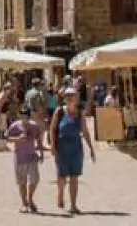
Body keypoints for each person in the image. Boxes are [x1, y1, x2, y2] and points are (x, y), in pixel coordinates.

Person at [50, 86, 95, 214]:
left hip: (76, 148)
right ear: (64, 98)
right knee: (62, 176)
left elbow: (85, 131)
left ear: (76, 98)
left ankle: (73, 205)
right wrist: (53, 145)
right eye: (67, 96)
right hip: (61, 147)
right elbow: (53, 129)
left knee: (74, 177)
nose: (70, 98)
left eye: (72, 96)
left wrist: (91, 148)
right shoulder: (59, 111)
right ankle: (60, 194)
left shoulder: (80, 113)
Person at [6, 105, 45, 213]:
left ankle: (30, 197)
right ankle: (24, 203)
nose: (24, 118)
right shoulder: (15, 126)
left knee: (35, 179)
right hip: (19, 157)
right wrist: (18, 139)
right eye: (22, 116)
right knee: (21, 182)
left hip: (31, 156)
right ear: (19, 116)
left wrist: (41, 153)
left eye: (26, 116)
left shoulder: (34, 126)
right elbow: (7, 138)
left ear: (29, 116)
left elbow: (39, 139)